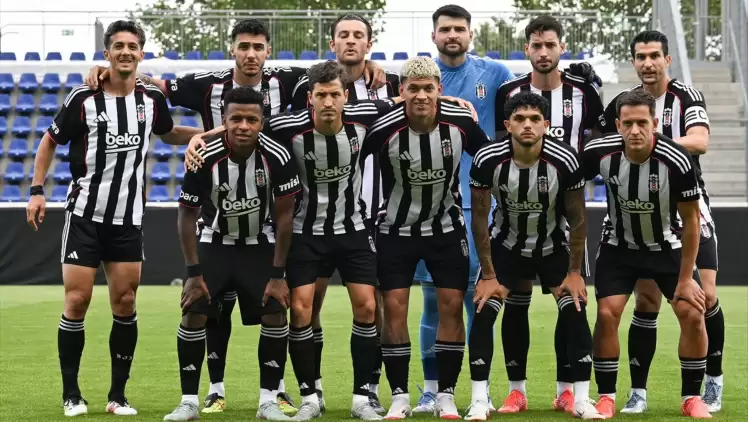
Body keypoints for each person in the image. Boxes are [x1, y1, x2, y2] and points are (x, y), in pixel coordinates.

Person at [84, 20, 386, 415]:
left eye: (258, 46)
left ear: (268, 51)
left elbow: (334, 73)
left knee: (283, 309)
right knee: (209, 308)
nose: (251, 53)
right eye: (244, 46)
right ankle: (208, 392)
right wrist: (108, 70)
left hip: (268, 227)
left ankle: (276, 394)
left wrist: (372, 68)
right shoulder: (207, 87)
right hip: (217, 224)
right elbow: (152, 85)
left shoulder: (288, 84)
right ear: (233, 50)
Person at [25, 20, 205, 417]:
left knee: (125, 302)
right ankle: (72, 394)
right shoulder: (83, 97)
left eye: (132, 46)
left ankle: (117, 396)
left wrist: (209, 133)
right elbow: (49, 141)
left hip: (127, 219)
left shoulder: (150, 99)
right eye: (118, 46)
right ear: (107, 53)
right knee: (77, 300)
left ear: (141, 53)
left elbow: (168, 132)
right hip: (84, 216)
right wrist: (37, 190)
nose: (125, 51)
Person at [262, 60, 404, 421]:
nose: (328, 102)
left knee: (367, 307)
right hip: (305, 233)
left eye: (335, 95)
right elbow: (244, 128)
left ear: (345, 96)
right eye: (321, 95)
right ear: (310, 97)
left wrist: (455, 102)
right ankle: (310, 396)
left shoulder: (364, 118)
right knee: (302, 310)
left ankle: (362, 398)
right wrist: (201, 137)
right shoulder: (287, 126)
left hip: (352, 229)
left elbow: (411, 99)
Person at [362, 56, 490, 420]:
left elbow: (490, 158)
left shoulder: (460, 122)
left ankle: (446, 395)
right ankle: (399, 396)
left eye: (428, 89)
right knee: (394, 309)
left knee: (451, 306)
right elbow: (352, 159)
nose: (421, 96)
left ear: (439, 90)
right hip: (395, 230)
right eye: (414, 89)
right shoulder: (384, 126)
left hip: (446, 229)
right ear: (401, 91)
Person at [602, 30, 722, 414]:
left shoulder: (687, 97)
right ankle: (638, 392)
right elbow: (602, 141)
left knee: (704, 297)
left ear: (667, 60)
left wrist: (653, 143)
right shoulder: (624, 102)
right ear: (634, 62)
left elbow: (700, 141)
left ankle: (713, 380)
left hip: (687, 206)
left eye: (655, 55)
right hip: (640, 210)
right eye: (641, 56)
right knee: (647, 300)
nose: (648, 63)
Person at [491, 15, 607, 413]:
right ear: (527, 49)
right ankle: (516, 390)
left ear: (562, 48)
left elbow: (601, 140)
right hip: (518, 216)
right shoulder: (509, 92)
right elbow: (499, 146)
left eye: (550, 45)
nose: (543, 52)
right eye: (536, 45)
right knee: (516, 301)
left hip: (566, 219)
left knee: (570, 300)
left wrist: (576, 177)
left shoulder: (584, 92)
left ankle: (567, 390)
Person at [163, 87, 301, 421]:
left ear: (261, 122)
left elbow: (285, 218)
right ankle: (189, 402)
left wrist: (278, 275)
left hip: (259, 242)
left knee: (275, 312)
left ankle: (268, 401)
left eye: (251, 119)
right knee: (194, 312)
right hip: (215, 241)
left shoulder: (278, 156)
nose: (243, 126)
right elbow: (186, 216)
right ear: (223, 120)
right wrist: (193, 273)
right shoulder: (204, 156)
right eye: (236, 118)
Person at [464, 91, 603, 420]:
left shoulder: (565, 159)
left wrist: (574, 273)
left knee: (575, 308)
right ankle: (484, 398)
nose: (527, 124)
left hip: (554, 245)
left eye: (535, 119)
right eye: (520, 119)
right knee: (484, 309)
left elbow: (578, 219)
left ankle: (579, 398)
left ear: (546, 124)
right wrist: (488, 275)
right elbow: (480, 219)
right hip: (507, 246)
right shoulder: (487, 159)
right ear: (507, 125)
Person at [405, 6, 514, 412]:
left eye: (460, 29)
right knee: (434, 302)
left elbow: (520, 116)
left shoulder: (496, 74)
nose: (453, 35)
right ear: (433, 36)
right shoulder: (423, 79)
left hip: (478, 206)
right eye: (445, 29)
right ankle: (433, 390)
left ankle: (480, 392)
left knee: (478, 302)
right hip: (432, 208)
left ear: (471, 34)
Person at [583, 90, 711, 419]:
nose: (635, 130)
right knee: (607, 314)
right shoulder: (599, 153)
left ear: (654, 123)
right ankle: (606, 396)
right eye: (627, 124)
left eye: (642, 123)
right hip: (619, 247)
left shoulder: (677, 159)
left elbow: (692, 221)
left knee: (693, 313)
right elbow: (567, 182)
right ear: (617, 125)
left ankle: (691, 397)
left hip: (667, 246)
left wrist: (686, 279)